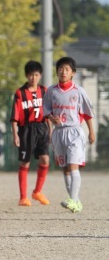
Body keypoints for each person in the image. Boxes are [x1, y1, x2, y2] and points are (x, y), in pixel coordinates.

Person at [43, 56, 95, 213]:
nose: (63, 72)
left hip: (74, 132)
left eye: (66, 69)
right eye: (60, 68)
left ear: (72, 72)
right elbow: (46, 112)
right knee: (65, 169)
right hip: (59, 133)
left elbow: (87, 113)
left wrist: (91, 131)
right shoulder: (51, 91)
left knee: (73, 167)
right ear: (57, 71)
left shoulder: (79, 91)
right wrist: (52, 118)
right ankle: (76, 201)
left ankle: (72, 200)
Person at [10, 61, 51, 207]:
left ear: (40, 76)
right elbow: (14, 116)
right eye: (31, 75)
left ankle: (37, 192)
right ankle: (23, 197)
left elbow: (48, 114)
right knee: (25, 162)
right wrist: (15, 135)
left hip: (41, 128)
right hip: (26, 130)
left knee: (45, 160)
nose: (33, 78)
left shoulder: (45, 91)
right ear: (27, 76)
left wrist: (50, 131)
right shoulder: (20, 93)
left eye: (36, 75)